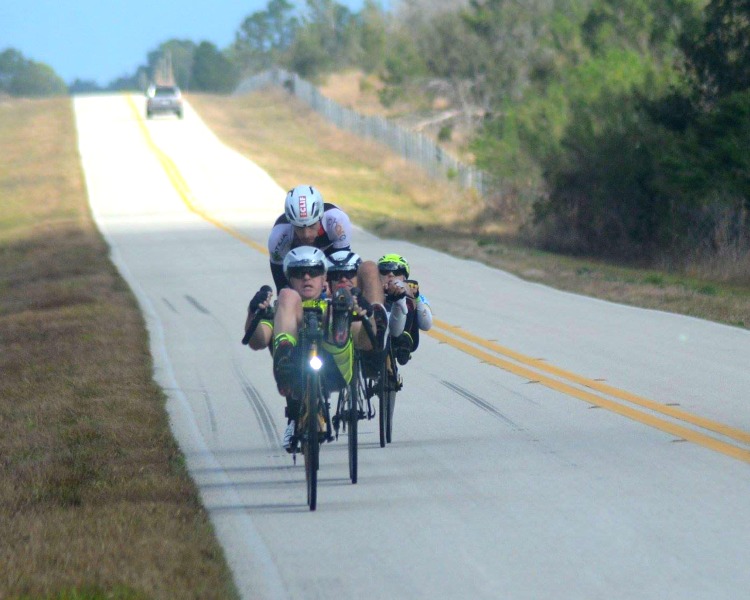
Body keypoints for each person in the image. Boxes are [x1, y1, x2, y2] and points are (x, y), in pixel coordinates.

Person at [245, 246, 378, 450]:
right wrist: (253, 312)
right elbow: (258, 341)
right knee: (287, 297)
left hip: (337, 368)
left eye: (314, 271)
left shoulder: (336, 301)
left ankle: (339, 326)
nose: (307, 277)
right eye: (299, 273)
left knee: (341, 302)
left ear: (324, 277)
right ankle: (285, 357)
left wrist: (365, 313)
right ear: (290, 277)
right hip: (295, 371)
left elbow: (367, 344)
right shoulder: (282, 309)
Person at [267, 185, 386, 332]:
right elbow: (282, 284)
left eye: (311, 226)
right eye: (299, 228)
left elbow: (341, 264)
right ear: (291, 222)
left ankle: (375, 319)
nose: (306, 235)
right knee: (283, 304)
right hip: (298, 266)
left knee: (344, 286)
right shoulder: (278, 237)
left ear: (320, 217)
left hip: (332, 257)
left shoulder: (337, 220)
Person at [377, 253, 433, 365]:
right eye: (385, 270)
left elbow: (427, 325)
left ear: (405, 277)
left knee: (407, 298)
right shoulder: (372, 292)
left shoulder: (414, 295)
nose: (391, 275)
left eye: (397, 272)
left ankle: (404, 342)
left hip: (402, 335)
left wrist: (416, 297)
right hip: (378, 333)